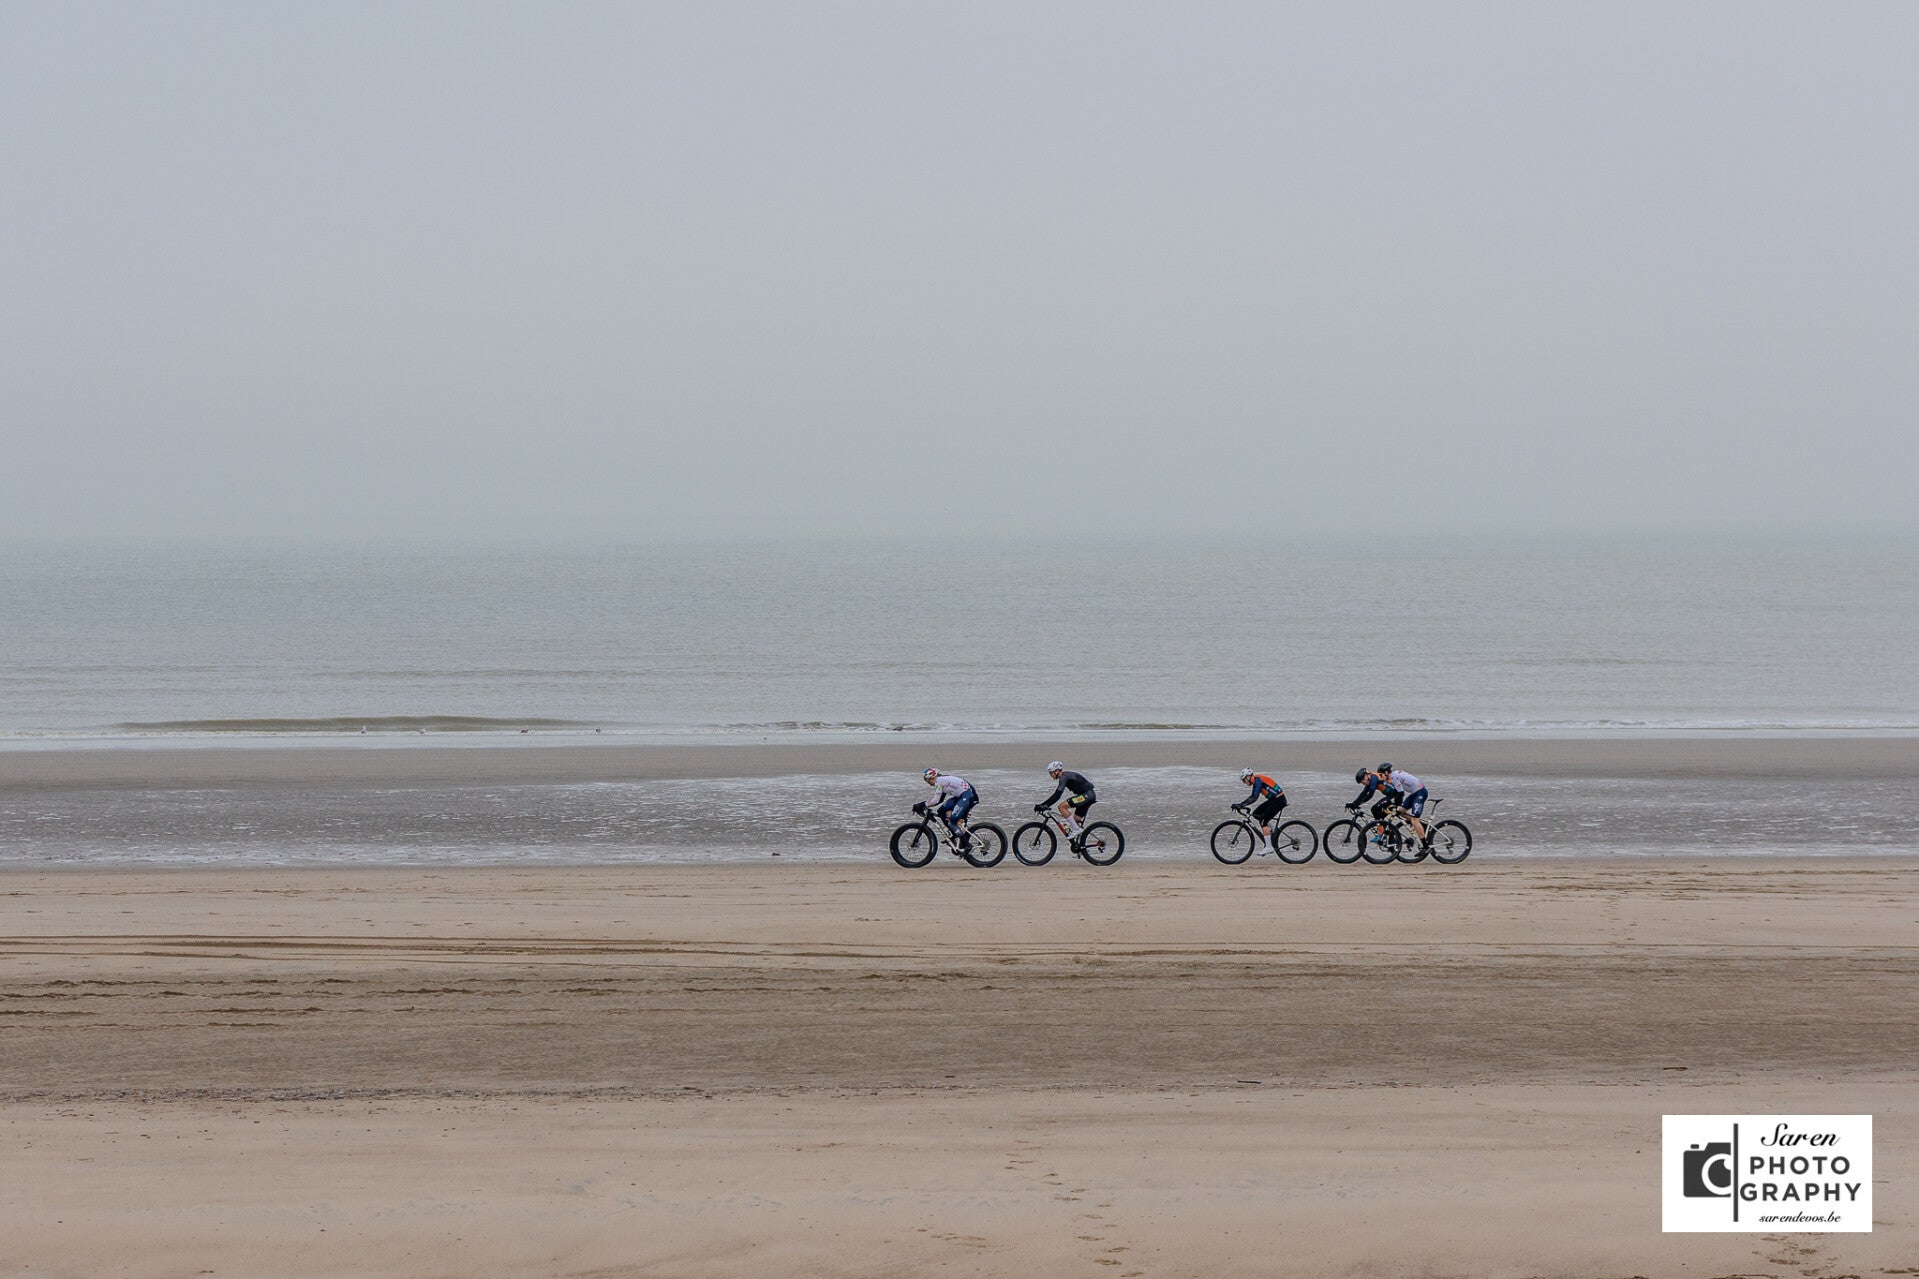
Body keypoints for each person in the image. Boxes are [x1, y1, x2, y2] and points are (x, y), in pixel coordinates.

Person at [1347, 762, 1429, 842]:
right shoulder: (1370, 780)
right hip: (1392, 795)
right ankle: (1388, 830)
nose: (1363, 784)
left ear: (1366, 776)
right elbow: (1363, 793)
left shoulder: (1373, 777)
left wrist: (1357, 804)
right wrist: (1354, 803)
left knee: (1375, 808)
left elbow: (1370, 794)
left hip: (1395, 795)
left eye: (1362, 781)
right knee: (1381, 814)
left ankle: (1381, 832)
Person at [1035, 761, 1097, 843]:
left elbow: (1057, 795)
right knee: (1075, 821)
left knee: (1061, 807)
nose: (1050, 775)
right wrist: (1044, 805)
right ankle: (1080, 846)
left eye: (1051, 773)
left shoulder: (1063, 777)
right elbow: (1056, 795)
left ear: (1057, 771)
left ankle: (1076, 829)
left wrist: (1043, 805)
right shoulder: (1065, 776)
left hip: (1087, 795)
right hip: (1088, 795)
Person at [1233, 768, 1288, 853]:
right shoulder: (1256, 781)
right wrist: (1241, 804)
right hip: (1274, 800)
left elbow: (1254, 797)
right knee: (1256, 814)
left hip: (1279, 800)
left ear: (1248, 777)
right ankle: (1274, 830)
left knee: (1263, 821)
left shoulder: (1258, 780)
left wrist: (1241, 805)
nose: (1244, 782)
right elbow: (1252, 796)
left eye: (1244, 780)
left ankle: (1269, 847)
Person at [921, 768, 978, 849]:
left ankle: (966, 844)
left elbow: (936, 800)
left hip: (967, 796)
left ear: (930, 778)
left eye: (927, 781)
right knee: (941, 811)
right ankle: (954, 834)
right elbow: (940, 800)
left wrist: (923, 804)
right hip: (961, 796)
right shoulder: (942, 780)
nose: (928, 783)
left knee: (952, 821)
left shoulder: (939, 781)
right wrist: (925, 805)